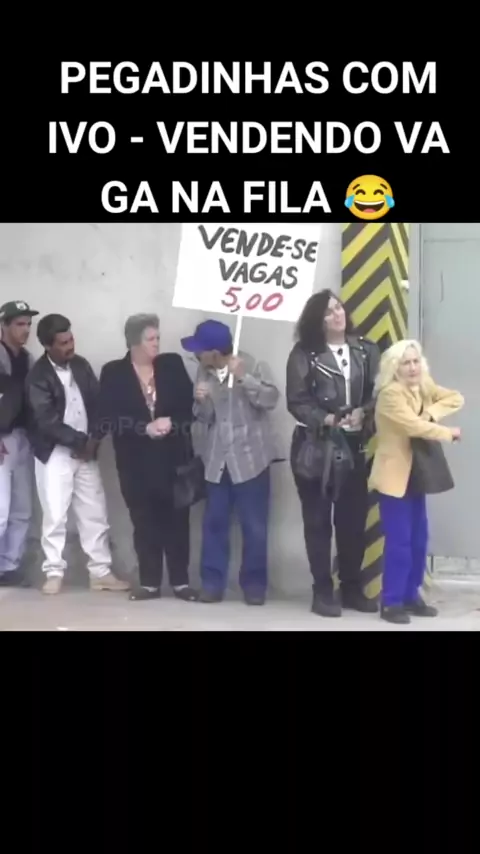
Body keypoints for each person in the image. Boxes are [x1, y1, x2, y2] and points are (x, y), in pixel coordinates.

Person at [286, 289, 381, 618]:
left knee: (352, 520)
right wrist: (326, 419)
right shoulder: (304, 354)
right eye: (328, 312)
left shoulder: (366, 350)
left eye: (338, 308)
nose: (336, 314)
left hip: (353, 446)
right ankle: (322, 590)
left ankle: (351, 587)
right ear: (317, 320)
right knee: (317, 521)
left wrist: (364, 412)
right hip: (315, 447)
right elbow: (296, 400)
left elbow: (378, 392)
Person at [96, 313, 199, 602]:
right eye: (150, 339)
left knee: (178, 522)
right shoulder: (114, 372)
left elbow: (189, 409)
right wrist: (144, 428)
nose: (156, 343)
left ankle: (181, 582)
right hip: (136, 463)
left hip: (173, 459)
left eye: (158, 337)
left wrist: (171, 423)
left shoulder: (171, 365)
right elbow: (107, 418)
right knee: (144, 522)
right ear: (134, 342)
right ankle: (150, 583)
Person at [25, 314, 129, 595]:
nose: (70, 346)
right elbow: (46, 421)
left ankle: (101, 573)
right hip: (55, 453)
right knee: (55, 514)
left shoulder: (81, 365)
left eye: (71, 339)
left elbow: (99, 404)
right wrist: (82, 442)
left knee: (94, 511)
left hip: (86, 451)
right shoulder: (38, 376)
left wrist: (94, 439)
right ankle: (54, 572)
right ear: (48, 346)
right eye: (63, 343)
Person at [181, 319, 280, 606]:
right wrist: (201, 401)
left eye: (200, 350)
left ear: (214, 352)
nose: (196, 355)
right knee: (214, 524)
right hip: (217, 461)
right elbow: (204, 418)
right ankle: (212, 584)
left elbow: (271, 399)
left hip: (250, 460)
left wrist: (244, 378)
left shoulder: (253, 364)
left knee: (255, 526)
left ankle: (254, 586)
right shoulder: (203, 372)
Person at [369, 339, 464, 625]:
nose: (412, 367)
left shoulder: (422, 385)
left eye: (415, 361)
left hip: (416, 474)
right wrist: (447, 432)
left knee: (418, 540)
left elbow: (455, 398)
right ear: (394, 368)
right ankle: (391, 602)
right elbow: (413, 426)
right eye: (406, 363)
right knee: (399, 542)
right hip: (393, 478)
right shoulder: (389, 395)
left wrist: (432, 411)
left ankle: (411, 596)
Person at [0, 301, 38, 586]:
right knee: (0, 510)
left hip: (23, 438)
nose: (25, 329)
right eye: (19, 324)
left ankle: (9, 567)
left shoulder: (27, 359)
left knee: (22, 509)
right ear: (4, 325)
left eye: (28, 324)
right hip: (2, 438)